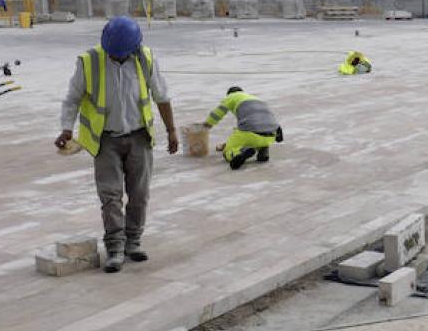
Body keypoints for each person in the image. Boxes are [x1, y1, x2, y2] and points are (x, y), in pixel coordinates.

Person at [54, 17, 178, 272]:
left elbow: (161, 96)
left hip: (139, 136)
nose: (117, 59)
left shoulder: (145, 59)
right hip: (105, 139)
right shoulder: (89, 62)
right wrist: (66, 128)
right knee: (110, 196)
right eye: (114, 55)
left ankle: (133, 242)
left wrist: (172, 130)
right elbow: (72, 99)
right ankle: (115, 247)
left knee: (139, 194)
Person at [204, 85, 282, 170]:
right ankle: (263, 149)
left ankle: (240, 152)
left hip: (249, 133)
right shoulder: (257, 99)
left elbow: (218, 112)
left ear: (229, 94)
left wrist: (208, 124)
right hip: (271, 135)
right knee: (255, 135)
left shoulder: (231, 97)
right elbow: (270, 117)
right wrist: (278, 133)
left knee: (228, 151)